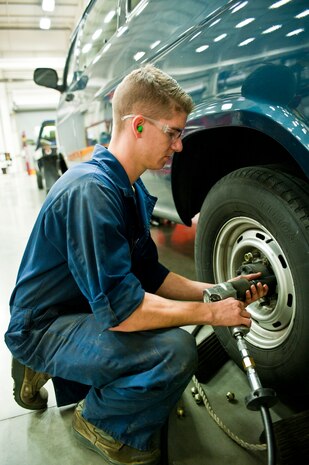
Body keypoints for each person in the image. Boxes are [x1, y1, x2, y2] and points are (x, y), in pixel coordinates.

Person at [4, 64, 268, 465]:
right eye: (173, 132)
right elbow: (124, 311)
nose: (179, 146)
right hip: (46, 324)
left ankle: (52, 366)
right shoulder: (91, 193)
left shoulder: (128, 187)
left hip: (83, 308)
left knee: (161, 342)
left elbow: (151, 277)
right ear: (139, 126)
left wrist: (217, 289)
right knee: (174, 351)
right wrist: (211, 312)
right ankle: (101, 425)